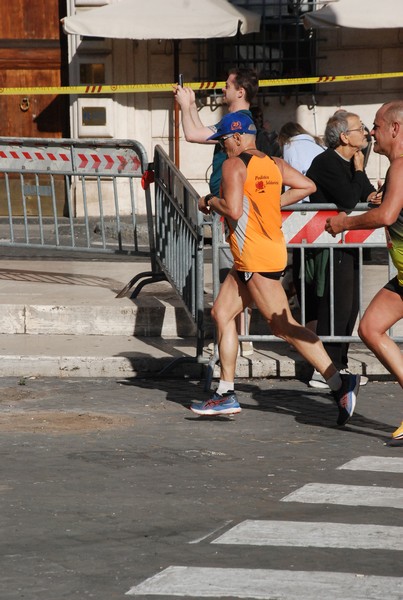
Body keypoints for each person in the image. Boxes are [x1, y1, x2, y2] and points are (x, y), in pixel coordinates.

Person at [189, 111, 361, 427]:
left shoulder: (233, 164)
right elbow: (307, 186)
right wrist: (272, 203)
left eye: (223, 140)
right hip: (256, 255)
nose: (222, 147)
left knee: (285, 327)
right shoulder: (274, 164)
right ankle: (226, 392)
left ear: (237, 137)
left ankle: (339, 382)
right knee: (222, 314)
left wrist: (210, 200)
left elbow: (233, 209)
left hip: (256, 257)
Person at [325, 100, 403, 445]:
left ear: (395, 129)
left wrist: (345, 222)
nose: (372, 132)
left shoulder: (400, 166)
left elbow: (386, 217)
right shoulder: (394, 170)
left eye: (377, 125)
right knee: (371, 328)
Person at [174, 68, 259, 356]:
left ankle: (237, 341)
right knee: (233, 274)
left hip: (230, 206)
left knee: (232, 274)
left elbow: (192, 134)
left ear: (240, 92)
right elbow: (201, 133)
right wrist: (191, 107)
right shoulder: (236, 122)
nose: (222, 89)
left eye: (227, 85)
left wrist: (186, 105)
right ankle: (235, 339)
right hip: (228, 204)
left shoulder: (237, 122)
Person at [305, 110, 378, 389]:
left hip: (351, 244)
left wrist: (375, 194)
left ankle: (342, 363)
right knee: (335, 305)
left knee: (349, 307)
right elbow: (348, 198)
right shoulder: (326, 162)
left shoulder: (351, 161)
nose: (366, 132)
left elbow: (365, 192)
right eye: (361, 128)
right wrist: (359, 171)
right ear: (345, 136)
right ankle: (324, 369)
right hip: (330, 246)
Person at [278, 122, 326, 332]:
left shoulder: (290, 146)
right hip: (323, 213)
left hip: (302, 214)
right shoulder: (318, 145)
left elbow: (292, 184)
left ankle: (307, 329)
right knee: (317, 277)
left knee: (302, 274)